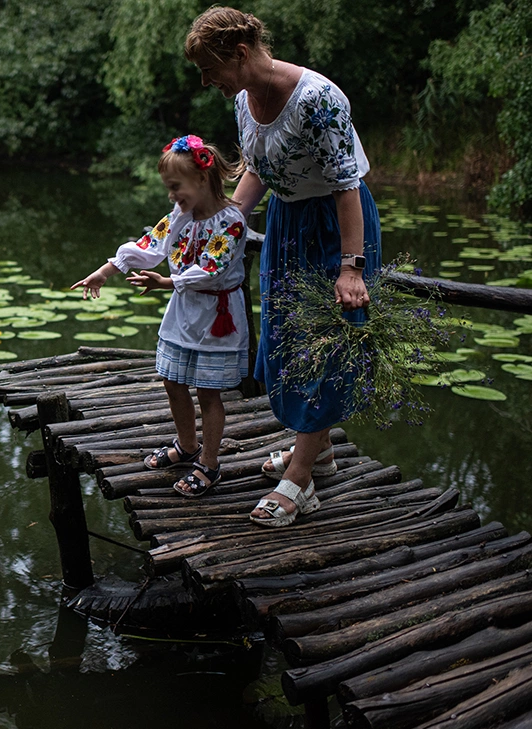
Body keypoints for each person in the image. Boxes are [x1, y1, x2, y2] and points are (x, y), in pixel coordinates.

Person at [184, 7, 382, 526]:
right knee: (285, 342)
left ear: (241, 54)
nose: (207, 82)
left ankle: (300, 480)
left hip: (333, 228)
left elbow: (345, 187)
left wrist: (352, 268)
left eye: (211, 69)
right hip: (286, 227)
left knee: (325, 347)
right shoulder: (245, 102)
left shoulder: (317, 100)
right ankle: (320, 452)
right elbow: (260, 169)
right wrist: (225, 222)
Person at [71, 135, 248, 497]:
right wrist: (107, 270)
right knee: (172, 380)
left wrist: (168, 281)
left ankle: (210, 465)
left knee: (210, 394)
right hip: (183, 313)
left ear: (201, 179)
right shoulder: (180, 216)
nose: (171, 196)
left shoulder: (231, 222)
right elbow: (150, 244)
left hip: (216, 317)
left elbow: (211, 270)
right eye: (168, 189)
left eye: (175, 187)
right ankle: (186, 445)